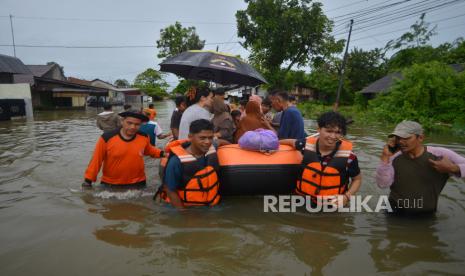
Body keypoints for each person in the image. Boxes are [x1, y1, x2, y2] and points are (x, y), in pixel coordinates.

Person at [376, 120, 465, 214]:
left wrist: (452, 168)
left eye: (406, 138)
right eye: (398, 138)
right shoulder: (393, 157)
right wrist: (385, 157)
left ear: (421, 138)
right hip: (393, 212)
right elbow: (383, 184)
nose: (401, 142)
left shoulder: (440, 154)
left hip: (425, 216)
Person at [280, 111, 362, 206]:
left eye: (338, 132)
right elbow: (291, 142)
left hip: (331, 205)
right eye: (329, 131)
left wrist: (347, 196)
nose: (333, 136)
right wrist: (274, 145)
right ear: (318, 129)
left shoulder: (350, 157)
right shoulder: (305, 145)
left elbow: (357, 179)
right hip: (302, 202)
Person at [82, 109, 164, 188]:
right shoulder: (107, 138)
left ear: (141, 125)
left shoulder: (144, 136)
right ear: (122, 122)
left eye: (137, 124)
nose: (132, 127)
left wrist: (164, 154)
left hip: (138, 182)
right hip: (111, 183)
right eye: (129, 123)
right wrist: (88, 181)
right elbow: (96, 160)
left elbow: (149, 150)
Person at [159, 119, 220, 208]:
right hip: (187, 207)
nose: (207, 142)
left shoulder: (211, 148)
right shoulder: (176, 162)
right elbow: (170, 190)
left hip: (210, 203)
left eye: (210, 137)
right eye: (202, 138)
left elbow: (218, 142)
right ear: (190, 137)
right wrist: (184, 214)